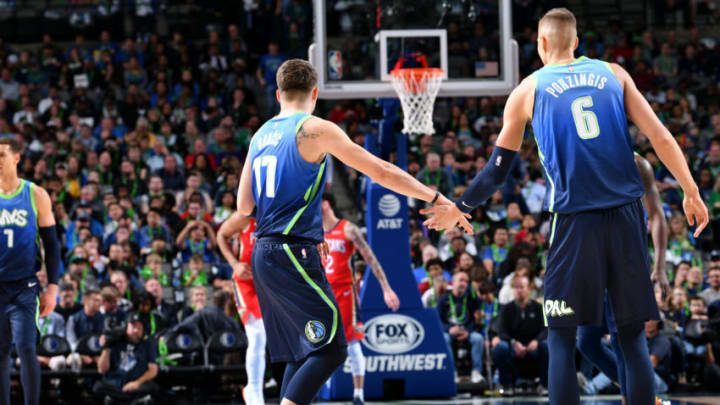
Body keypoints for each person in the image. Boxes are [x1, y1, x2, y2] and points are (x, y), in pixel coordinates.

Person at [421, 8, 708, 405]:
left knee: (560, 335)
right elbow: (659, 134)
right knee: (630, 335)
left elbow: (497, 171)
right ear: (576, 42)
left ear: (540, 44)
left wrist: (460, 206)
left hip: (574, 222)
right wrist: (691, 189)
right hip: (627, 217)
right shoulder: (615, 74)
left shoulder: (528, 89)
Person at [236, 59, 451, 405]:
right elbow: (380, 171)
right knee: (333, 349)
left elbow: (244, 206)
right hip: (293, 251)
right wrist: (435, 197)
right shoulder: (315, 128)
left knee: (300, 351)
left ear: (278, 94)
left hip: (263, 251)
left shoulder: (260, 135)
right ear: (315, 93)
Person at [576, 153, 670, 405]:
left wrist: (660, 266)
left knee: (625, 341)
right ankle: (639, 389)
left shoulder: (638, 164)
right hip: (594, 268)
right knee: (586, 342)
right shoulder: (583, 159)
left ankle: (636, 397)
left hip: (627, 264)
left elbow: (657, 215)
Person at [321, 193, 400, 405]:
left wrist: (386, 288)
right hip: (322, 293)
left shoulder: (348, 229)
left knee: (352, 342)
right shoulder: (313, 232)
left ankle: (358, 395)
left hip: (345, 292)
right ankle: (322, 387)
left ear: (326, 204)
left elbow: (370, 258)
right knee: (320, 342)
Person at [0, 137, 61, 405]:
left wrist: (53, 289)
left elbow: (52, 245)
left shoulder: (35, 194)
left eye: (1, 155)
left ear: (16, 158)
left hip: (24, 287)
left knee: (26, 348)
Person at [216, 212, 266, 405]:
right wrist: (234, 263)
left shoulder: (282, 212)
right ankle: (254, 389)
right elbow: (221, 235)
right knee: (258, 335)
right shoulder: (246, 216)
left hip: (271, 282)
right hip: (247, 283)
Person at [94, 313, 159, 405]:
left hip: (135, 386)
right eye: (133, 326)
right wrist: (106, 348)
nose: (136, 330)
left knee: (154, 388)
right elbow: (101, 370)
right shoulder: (115, 340)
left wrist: (137, 383)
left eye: (139, 327)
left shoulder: (148, 343)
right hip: (115, 384)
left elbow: (153, 370)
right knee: (98, 387)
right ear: (126, 327)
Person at [438, 271, 484, 384]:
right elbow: (438, 320)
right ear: (453, 282)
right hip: (450, 331)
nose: (464, 284)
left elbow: (475, 319)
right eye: (461, 280)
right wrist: (449, 328)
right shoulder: (443, 299)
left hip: (466, 331)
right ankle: (451, 372)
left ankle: (476, 372)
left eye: (466, 281)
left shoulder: (472, 299)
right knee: (444, 339)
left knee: (478, 338)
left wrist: (468, 331)